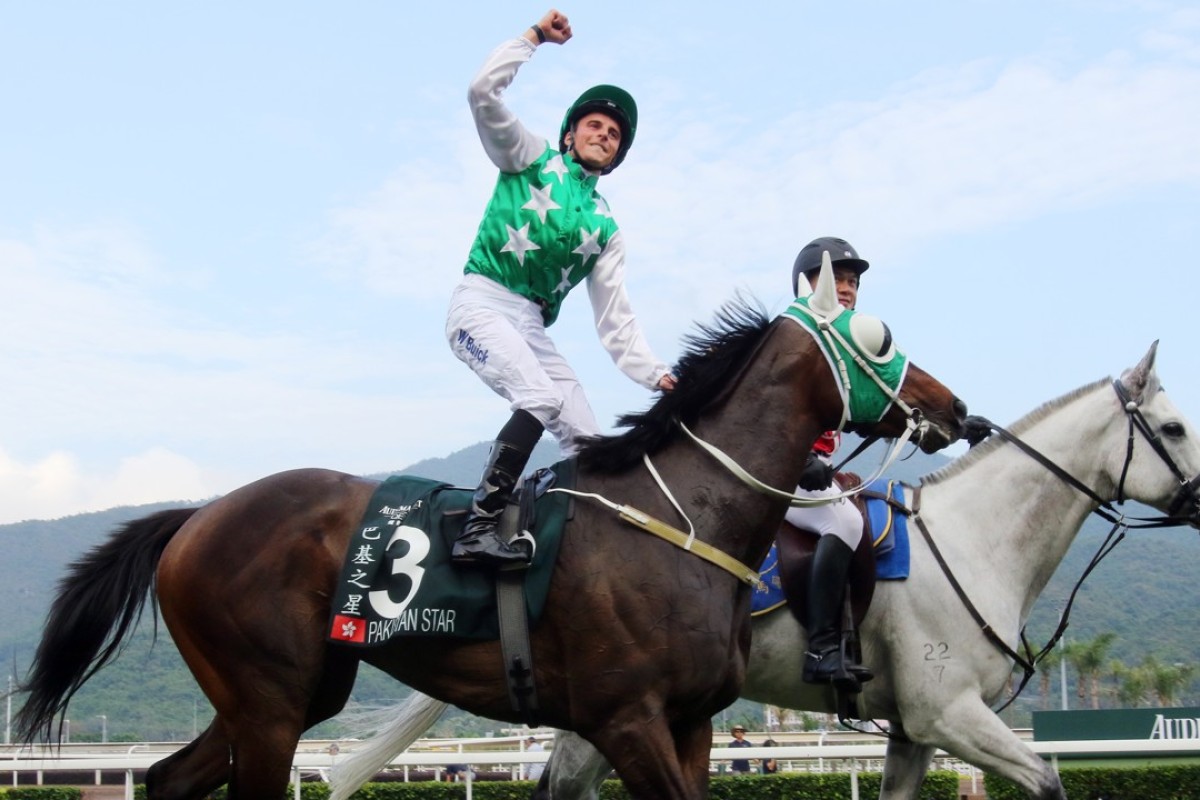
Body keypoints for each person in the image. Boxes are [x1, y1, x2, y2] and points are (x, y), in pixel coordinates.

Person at [446, 8, 676, 568]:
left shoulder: (606, 226)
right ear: (570, 133)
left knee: (588, 441)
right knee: (541, 398)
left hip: (530, 325)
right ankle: (478, 528)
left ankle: (576, 550)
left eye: (614, 134)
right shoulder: (528, 158)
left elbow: (616, 321)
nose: (604, 134)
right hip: (479, 303)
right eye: (595, 125)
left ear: (618, 155)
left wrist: (658, 376)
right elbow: (482, 92)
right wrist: (532, 39)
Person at [785, 236, 874, 691]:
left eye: (853, 281)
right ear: (807, 284)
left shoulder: (841, 346)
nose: (846, 287)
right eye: (835, 278)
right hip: (777, 473)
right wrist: (801, 458)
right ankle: (820, 648)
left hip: (813, 468)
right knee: (845, 521)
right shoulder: (796, 340)